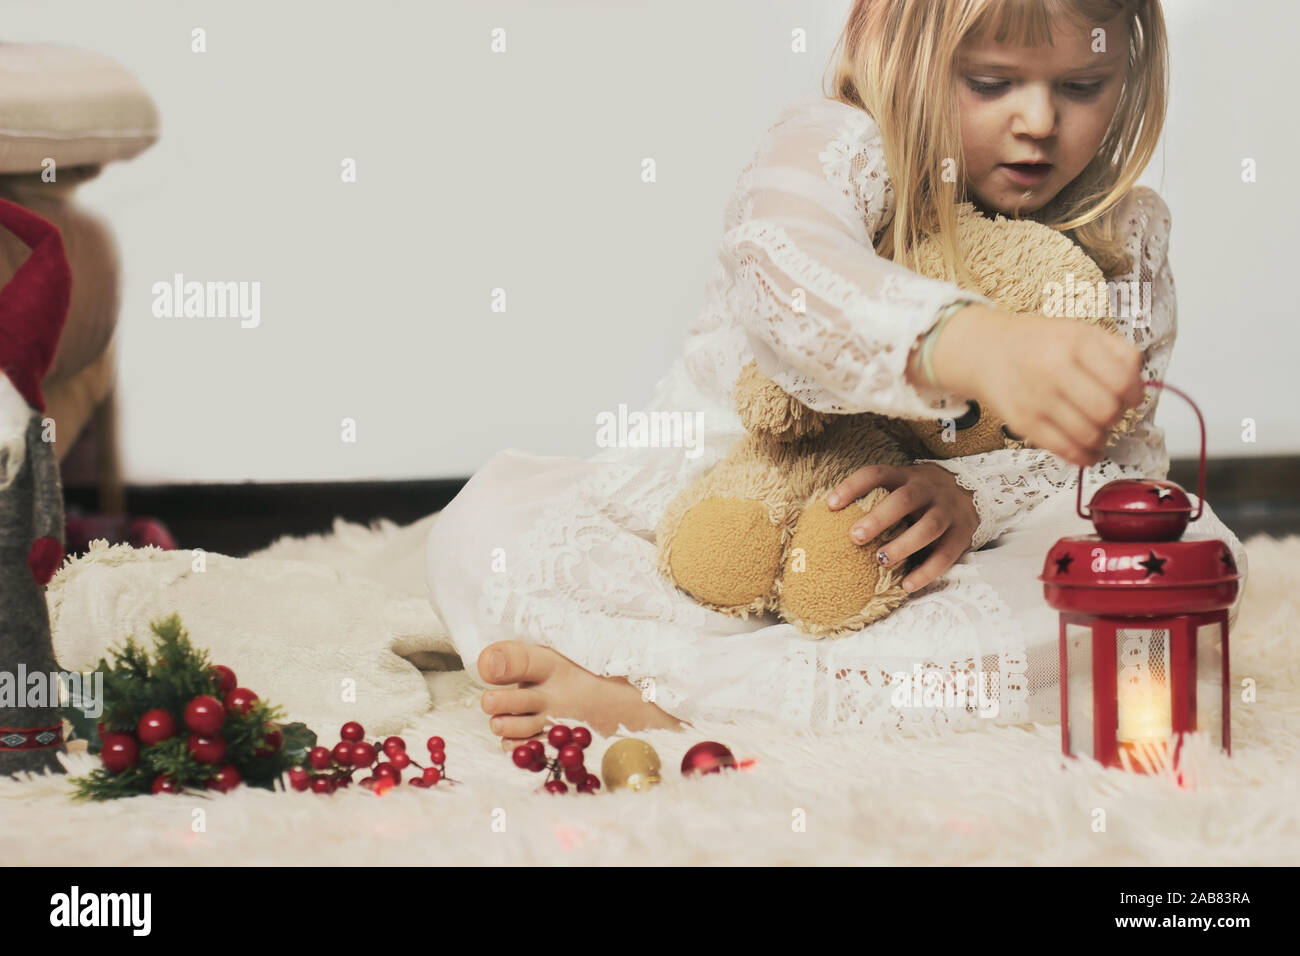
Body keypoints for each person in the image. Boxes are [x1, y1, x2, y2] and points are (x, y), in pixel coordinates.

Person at [425, 0, 1248, 750]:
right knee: (483, 532)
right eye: (991, 82)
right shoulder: (834, 146)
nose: (1038, 120)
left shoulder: (1120, 236)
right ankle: (728, 675)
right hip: (721, 520)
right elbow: (789, 273)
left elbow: (1112, 463)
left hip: (913, 565)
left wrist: (970, 498)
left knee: (1175, 575)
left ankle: (682, 694)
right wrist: (968, 344)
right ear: (890, 45)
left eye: (1082, 84)